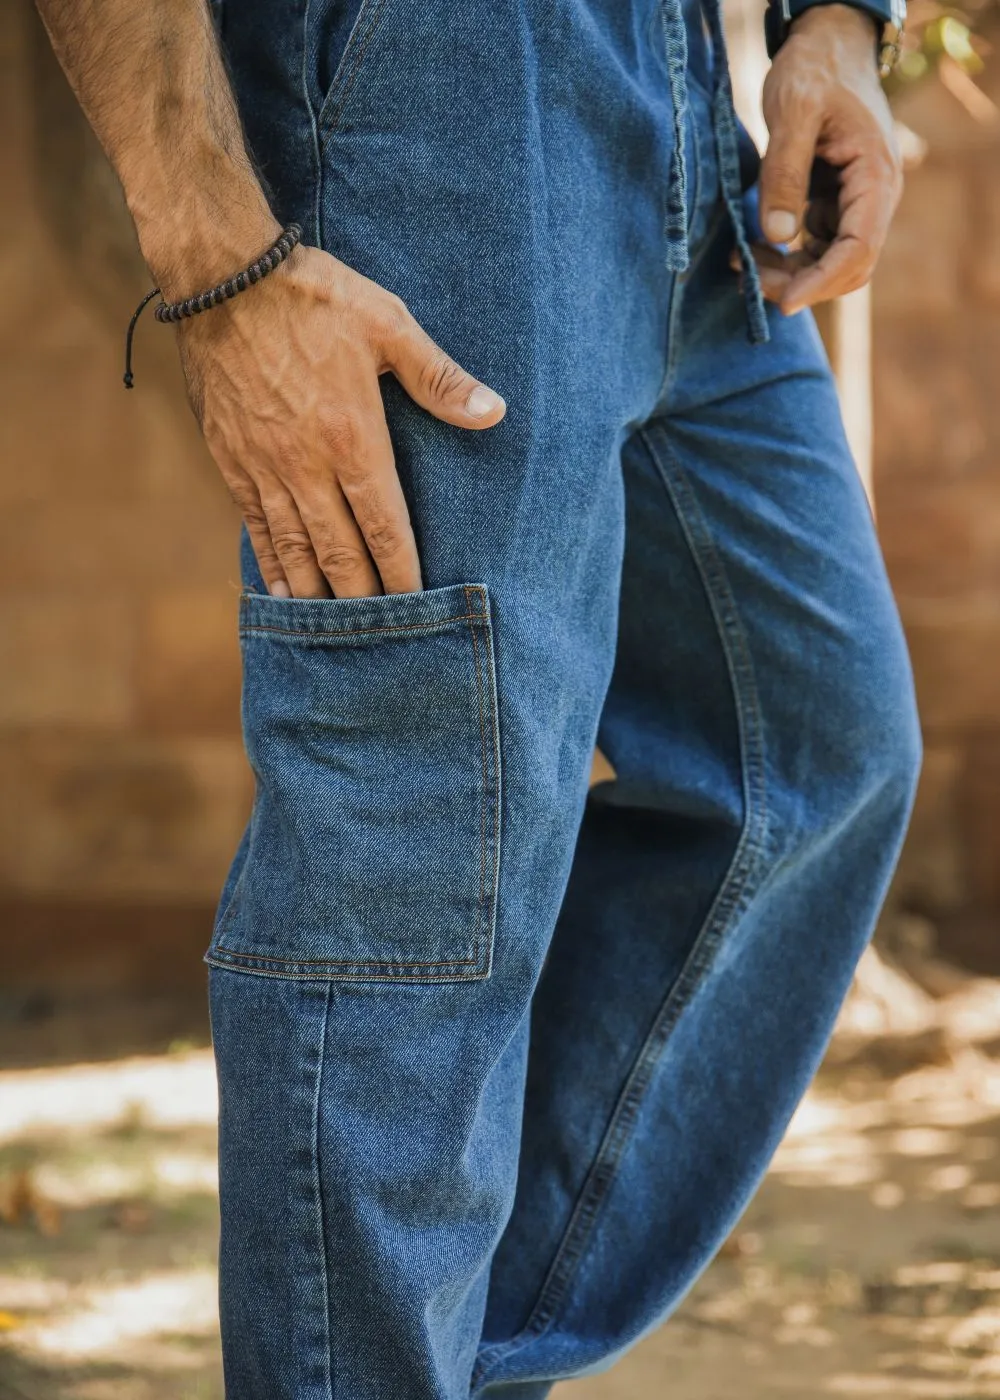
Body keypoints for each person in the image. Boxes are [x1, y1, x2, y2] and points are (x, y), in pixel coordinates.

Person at [34, 0, 920, 1393]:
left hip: (688, 107)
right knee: (412, 881)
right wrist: (215, 254)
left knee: (815, 755)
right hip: (431, 118)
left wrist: (839, 26)